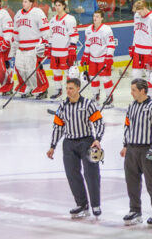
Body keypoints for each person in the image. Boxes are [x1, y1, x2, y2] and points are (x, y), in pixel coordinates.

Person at [47, 77, 104, 219]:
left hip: (87, 142)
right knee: (72, 175)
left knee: (92, 174)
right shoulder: (62, 106)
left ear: (78, 88)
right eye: (67, 88)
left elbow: (99, 123)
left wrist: (98, 139)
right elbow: (58, 127)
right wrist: (52, 146)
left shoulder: (88, 104)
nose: (68, 91)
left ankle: (95, 205)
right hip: (69, 143)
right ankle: (81, 204)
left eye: (71, 88)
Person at [121, 78, 152, 227]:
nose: (131, 93)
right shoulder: (132, 106)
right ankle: (135, 210)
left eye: (134, 90)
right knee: (132, 181)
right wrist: (125, 145)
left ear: (143, 91)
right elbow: (127, 126)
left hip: (148, 149)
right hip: (131, 149)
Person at [12, 0, 50, 98]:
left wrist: (46, 43)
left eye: (25, 1)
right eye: (23, 1)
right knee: (20, 68)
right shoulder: (18, 14)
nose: (23, 3)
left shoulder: (37, 12)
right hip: (21, 47)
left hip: (33, 47)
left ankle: (43, 88)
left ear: (31, 3)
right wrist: (14, 43)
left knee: (33, 70)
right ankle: (27, 87)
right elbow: (15, 31)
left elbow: (45, 29)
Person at [83, 10, 117, 105]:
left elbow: (111, 44)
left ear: (102, 18)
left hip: (103, 58)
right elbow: (87, 44)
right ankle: (95, 95)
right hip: (93, 58)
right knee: (93, 78)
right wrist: (85, 56)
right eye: (94, 16)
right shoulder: (88, 30)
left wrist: (109, 57)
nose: (95, 18)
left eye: (97, 16)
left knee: (105, 78)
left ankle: (109, 97)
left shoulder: (106, 30)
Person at [130, 0, 152, 97]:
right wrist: (133, 46)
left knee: (151, 76)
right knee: (135, 74)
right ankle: (139, 97)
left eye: (139, 12)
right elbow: (136, 32)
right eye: (137, 12)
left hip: (149, 51)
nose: (138, 14)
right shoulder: (137, 15)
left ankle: (151, 97)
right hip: (138, 50)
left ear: (144, 8)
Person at [48, 0, 79, 99]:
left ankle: (70, 92)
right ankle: (58, 90)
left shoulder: (70, 19)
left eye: (59, 5)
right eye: (56, 5)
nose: (57, 7)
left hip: (64, 51)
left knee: (68, 73)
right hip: (55, 51)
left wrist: (72, 46)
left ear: (64, 6)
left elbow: (74, 35)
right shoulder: (52, 20)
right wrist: (49, 46)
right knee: (55, 71)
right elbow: (50, 35)